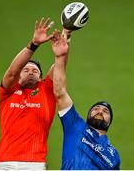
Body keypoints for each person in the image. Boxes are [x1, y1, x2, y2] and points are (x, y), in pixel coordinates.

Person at [0, 18, 70, 170]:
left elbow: (60, 65)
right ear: (19, 76)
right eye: (26, 70)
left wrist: (66, 34)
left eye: (35, 71)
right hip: (4, 163)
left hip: (34, 164)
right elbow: (12, 71)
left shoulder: (46, 90)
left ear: (41, 77)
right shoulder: (8, 91)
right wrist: (34, 44)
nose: (30, 72)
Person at [51, 30, 121, 170]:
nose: (100, 111)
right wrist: (60, 57)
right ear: (88, 114)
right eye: (95, 109)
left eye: (105, 111)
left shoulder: (114, 155)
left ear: (109, 121)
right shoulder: (75, 125)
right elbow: (60, 92)